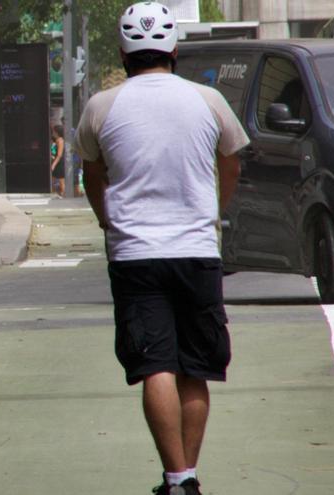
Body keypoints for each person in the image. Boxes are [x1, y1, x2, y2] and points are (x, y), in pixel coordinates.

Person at [73, 3, 248, 494]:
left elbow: (92, 174)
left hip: (135, 255)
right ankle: (185, 478)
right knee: (197, 367)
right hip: (197, 251)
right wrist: (211, 212)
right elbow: (231, 161)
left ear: (125, 52)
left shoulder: (101, 106)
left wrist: (109, 222)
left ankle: (178, 479)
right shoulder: (208, 101)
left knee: (157, 365)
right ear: (174, 48)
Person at [50, 124, 65, 197]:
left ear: (57, 132)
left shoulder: (60, 141)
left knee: (61, 180)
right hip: (56, 161)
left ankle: (63, 194)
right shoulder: (56, 140)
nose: (53, 133)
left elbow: (59, 155)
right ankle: (56, 194)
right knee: (53, 179)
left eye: (54, 132)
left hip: (59, 163)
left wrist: (53, 164)